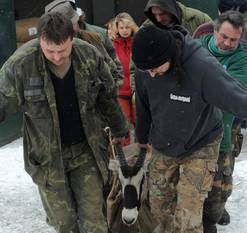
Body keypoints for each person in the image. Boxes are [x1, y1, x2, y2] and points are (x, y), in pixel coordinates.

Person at [0, 12, 128, 233]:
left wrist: (120, 128)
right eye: (49, 51)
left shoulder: (89, 56)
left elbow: (107, 96)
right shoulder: (20, 64)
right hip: (46, 157)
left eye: (62, 50)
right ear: (40, 42)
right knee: (64, 220)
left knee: (94, 217)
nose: (57, 57)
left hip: (86, 150)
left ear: (73, 38)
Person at [131, 25, 247, 233]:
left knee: (189, 209)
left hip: (201, 142)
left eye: (157, 69)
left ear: (170, 55)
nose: (152, 74)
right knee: (159, 203)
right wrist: (143, 139)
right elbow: (144, 103)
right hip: (162, 143)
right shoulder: (147, 67)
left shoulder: (202, 67)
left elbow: (238, 98)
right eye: (146, 71)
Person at [198, 11, 247, 233]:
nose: (228, 44)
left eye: (234, 40)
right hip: (192, 137)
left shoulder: (242, 59)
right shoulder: (194, 48)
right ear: (214, 30)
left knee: (220, 190)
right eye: (224, 37)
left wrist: (202, 84)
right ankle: (196, 224)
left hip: (223, 135)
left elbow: (232, 95)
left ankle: (210, 220)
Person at [45, 0, 123, 86]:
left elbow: (115, 71)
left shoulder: (93, 39)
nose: (69, 30)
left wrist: (112, 92)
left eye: (71, 24)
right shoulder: (44, 48)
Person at [113, 12, 139, 145]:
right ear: (117, 28)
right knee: (124, 123)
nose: (124, 30)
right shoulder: (112, 45)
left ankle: (144, 153)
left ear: (132, 27)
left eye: (127, 27)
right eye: (121, 27)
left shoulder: (138, 42)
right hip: (121, 90)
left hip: (137, 90)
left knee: (139, 121)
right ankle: (125, 154)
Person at [143, 0, 212, 35]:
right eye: (154, 14)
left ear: (171, 9)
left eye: (162, 14)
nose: (158, 19)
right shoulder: (146, 28)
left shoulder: (199, 19)